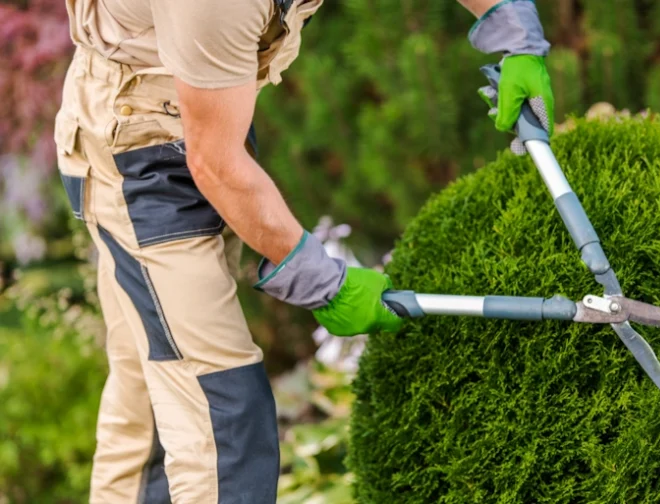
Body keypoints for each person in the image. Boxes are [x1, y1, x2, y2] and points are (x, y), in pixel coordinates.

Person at [54, 0, 554, 501]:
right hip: (137, 147)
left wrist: (514, 34)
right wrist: (325, 284)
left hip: (199, 108)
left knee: (153, 391)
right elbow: (216, 163)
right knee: (220, 414)